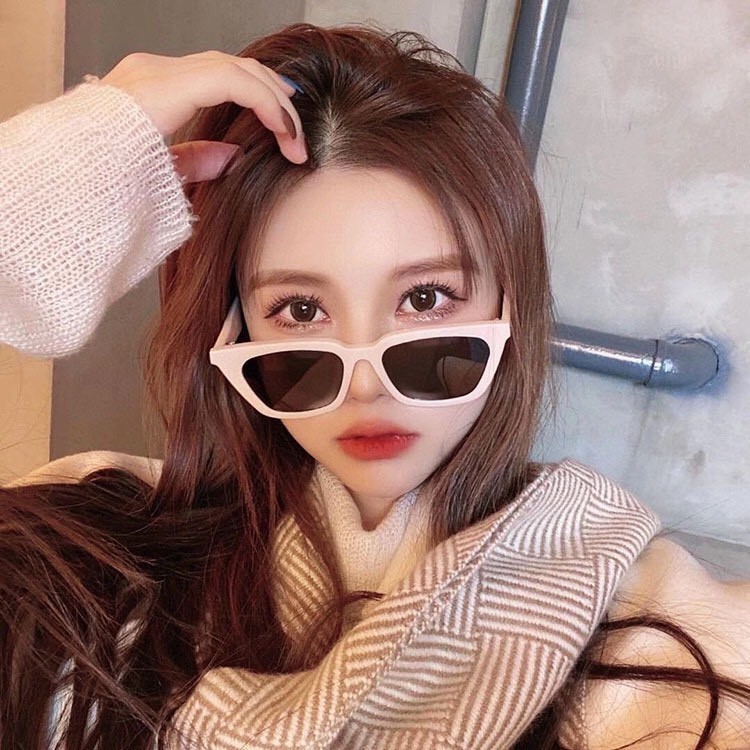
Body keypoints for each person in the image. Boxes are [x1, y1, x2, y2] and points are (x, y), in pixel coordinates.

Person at [1, 22, 749, 750]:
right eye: (300, 310)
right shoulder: (90, 549)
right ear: (234, 328)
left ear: (510, 306)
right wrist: (50, 189)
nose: (365, 387)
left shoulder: (664, 625)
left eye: (425, 299)